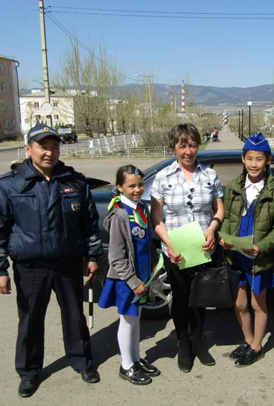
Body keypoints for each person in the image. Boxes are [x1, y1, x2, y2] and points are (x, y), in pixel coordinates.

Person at [0, 124, 103, 398]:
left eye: (54, 146)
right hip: (31, 267)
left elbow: (90, 224)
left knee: (75, 317)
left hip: (68, 264)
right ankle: (29, 372)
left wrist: (93, 256)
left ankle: (82, 361)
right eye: (43, 146)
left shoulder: (74, 182)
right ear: (28, 149)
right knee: (30, 321)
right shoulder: (10, 184)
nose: (49, 152)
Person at [150, 124, 225, 373]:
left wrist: (213, 229)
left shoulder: (210, 176)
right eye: (182, 145)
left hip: (203, 248)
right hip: (177, 251)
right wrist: (169, 245)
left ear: (198, 146)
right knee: (181, 299)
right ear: (174, 147)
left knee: (201, 298)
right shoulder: (163, 177)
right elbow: (157, 219)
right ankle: (183, 343)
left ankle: (198, 342)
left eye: (192, 145)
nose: (188, 151)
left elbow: (219, 210)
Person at [219, 132, 274, 367]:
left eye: (259, 159)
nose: (254, 164)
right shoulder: (234, 186)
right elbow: (227, 218)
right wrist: (223, 238)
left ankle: (257, 346)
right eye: (250, 158)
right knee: (240, 304)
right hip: (236, 256)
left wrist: (261, 247)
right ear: (243, 159)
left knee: (258, 304)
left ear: (268, 160)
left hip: (258, 258)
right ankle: (247, 340)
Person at [98, 165, 161, 385]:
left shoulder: (140, 208)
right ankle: (126, 366)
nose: (137, 189)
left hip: (142, 277)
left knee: (136, 320)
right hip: (127, 280)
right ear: (119, 187)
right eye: (131, 186)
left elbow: (146, 242)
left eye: (140, 184)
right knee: (127, 321)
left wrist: (153, 265)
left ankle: (136, 358)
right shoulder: (119, 214)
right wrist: (133, 282)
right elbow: (116, 257)